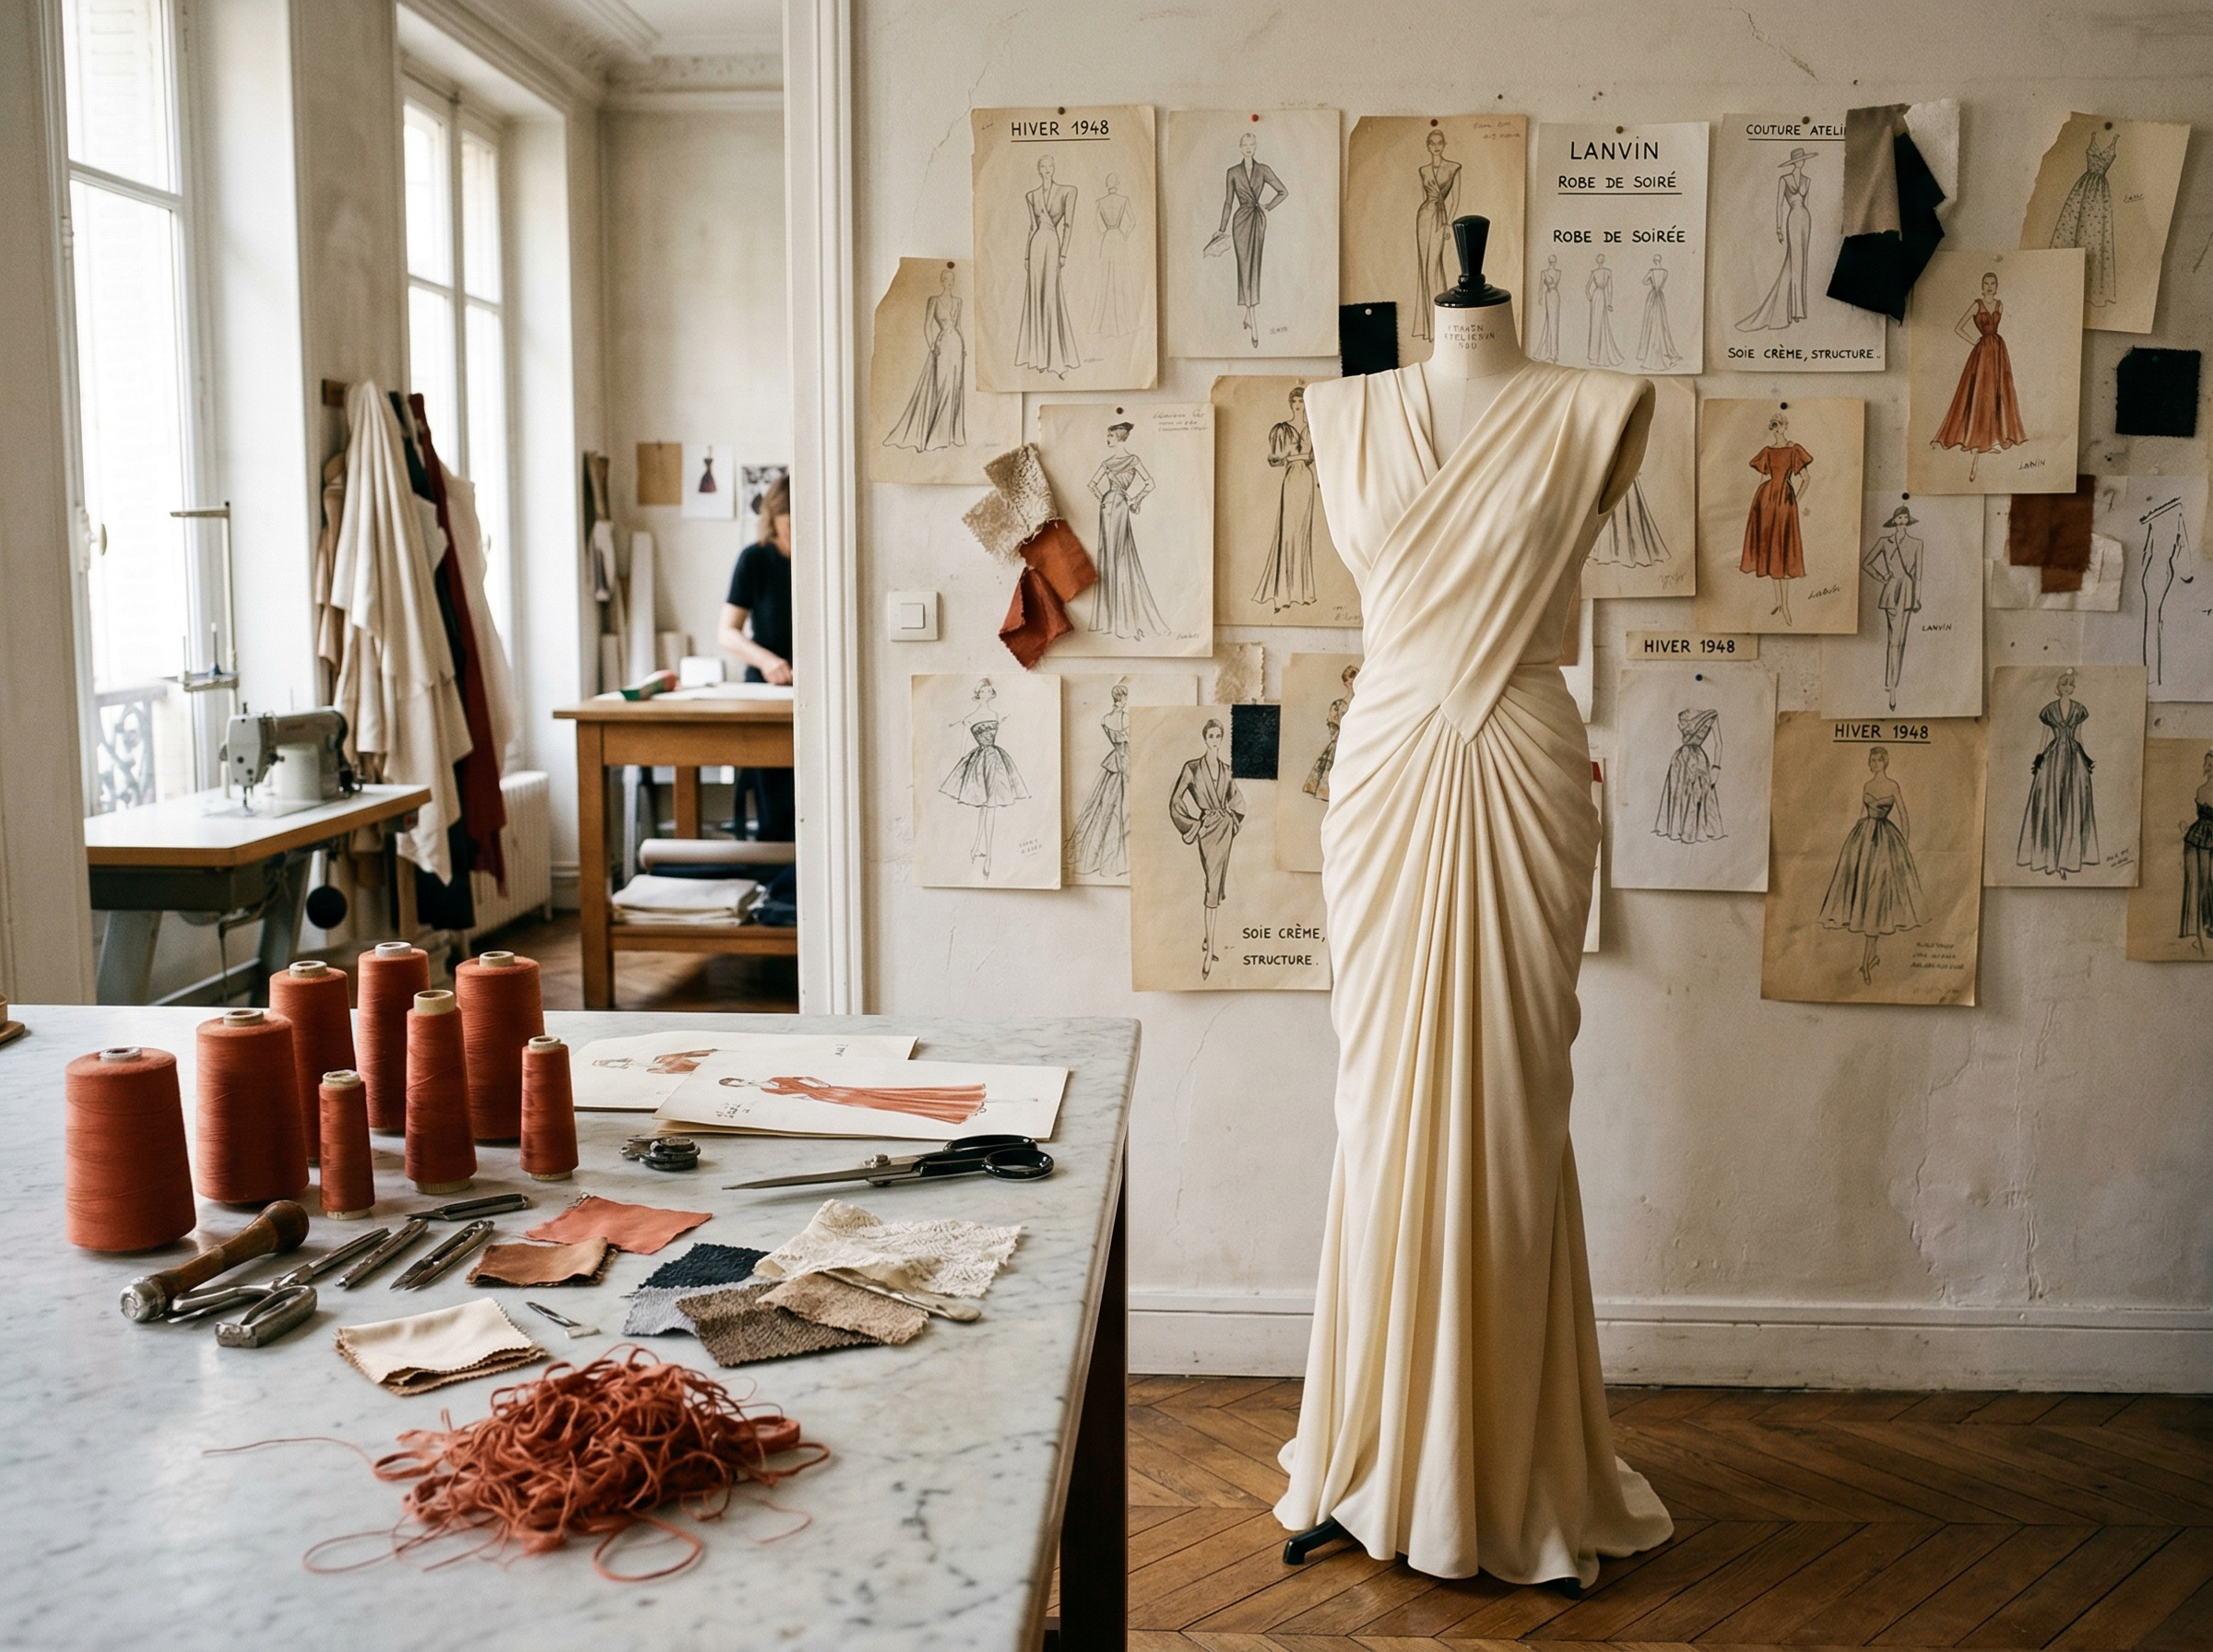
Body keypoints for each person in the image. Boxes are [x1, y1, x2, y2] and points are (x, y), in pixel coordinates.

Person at [718, 474, 795, 841]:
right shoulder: (754, 559)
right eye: (790, 525)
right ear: (774, 519)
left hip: (816, 690)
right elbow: (727, 632)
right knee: (776, 803)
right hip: (768, 690)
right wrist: (766, 661)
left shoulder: (827, 559)